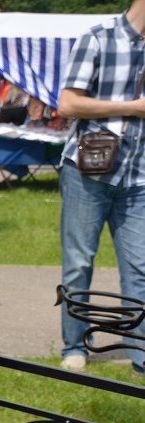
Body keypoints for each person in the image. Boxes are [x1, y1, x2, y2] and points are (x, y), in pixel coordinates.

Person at [55, 0, 145, 377]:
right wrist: (133, 107)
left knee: (140, 268)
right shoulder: (99, 39)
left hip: (139, 175)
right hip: (87, 171)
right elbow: (67, 103)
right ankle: (75, 346)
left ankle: (139, 353)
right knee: (78, 263)